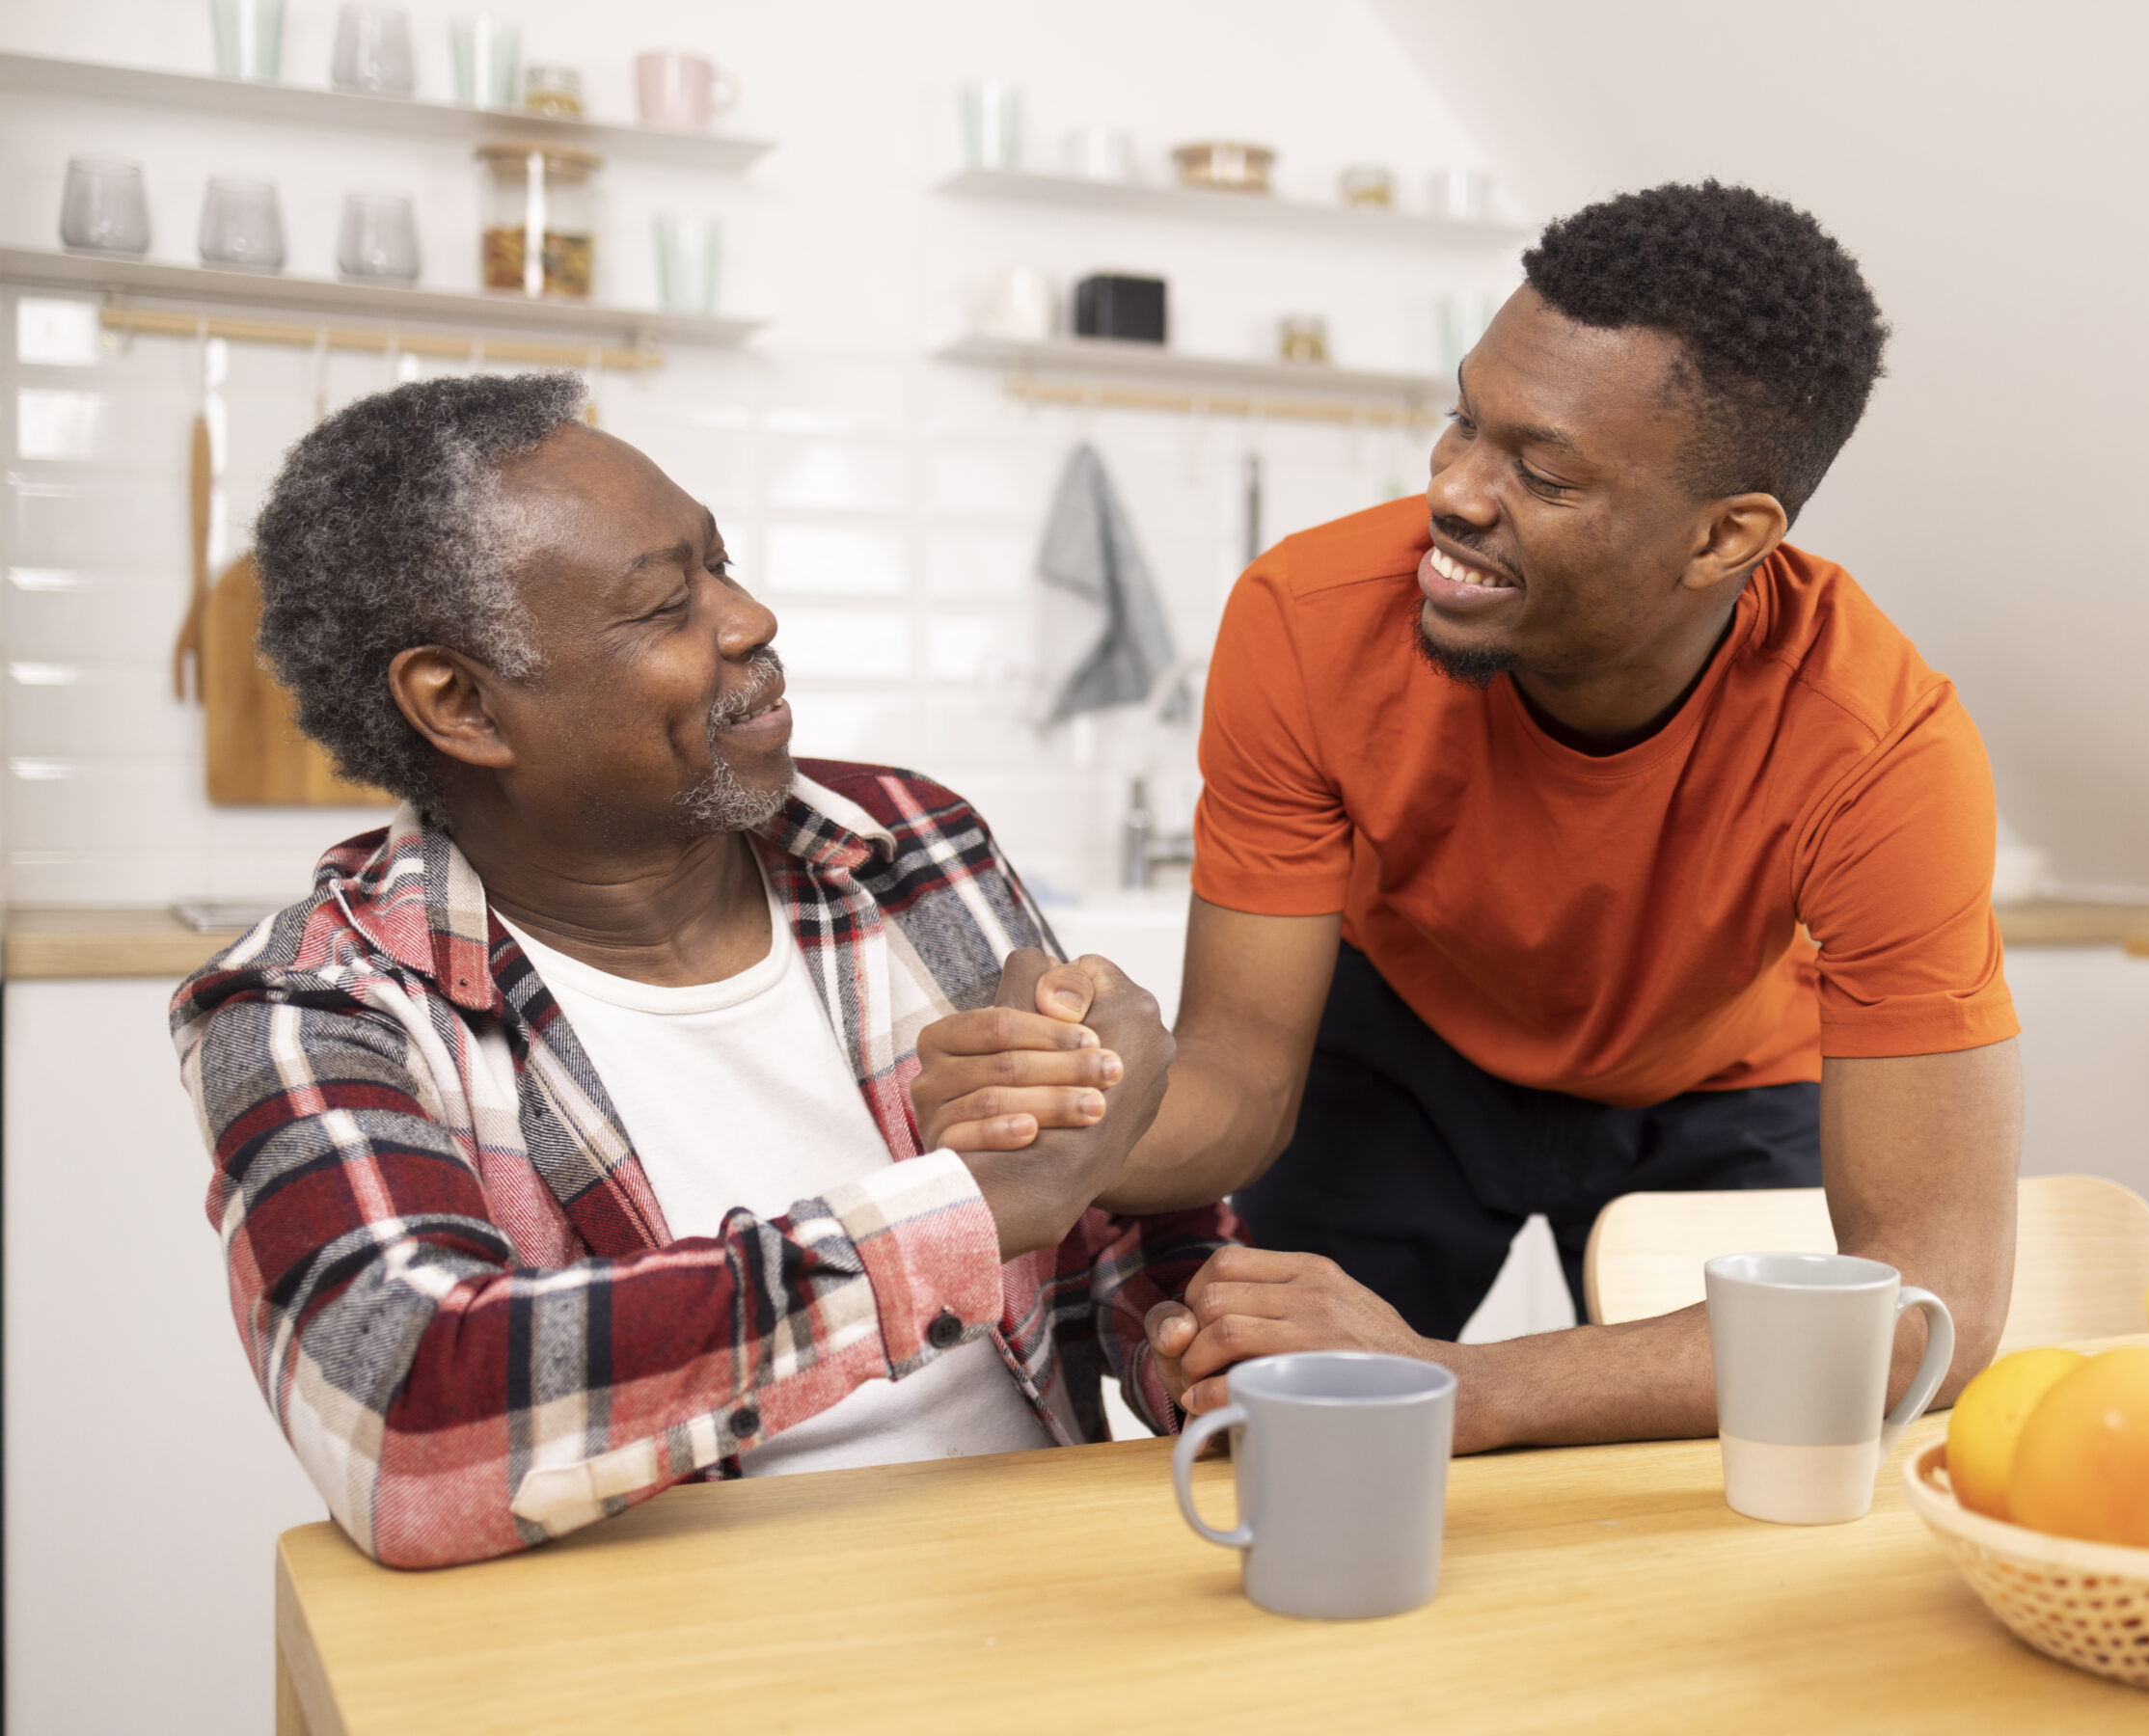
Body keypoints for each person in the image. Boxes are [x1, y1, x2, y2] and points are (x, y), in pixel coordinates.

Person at [916, 180, 2026, 1453]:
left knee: (1723, 1479)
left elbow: (1933, 1313)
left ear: (1727, 537)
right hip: (1399, 1053)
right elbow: (1238, 1083)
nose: (1453, 491)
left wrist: (1467, 1386)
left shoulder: (1880, 747)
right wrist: (1093, 1112)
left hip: (1719, 1078)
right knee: (1268, 1432)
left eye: (1540, 472)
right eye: (1462, 422)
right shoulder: (1307, 618)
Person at [173, 372, 1217, 1569]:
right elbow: (413, 1422)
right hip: (667, 1649)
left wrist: (1204, 1337)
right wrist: (963, 1215)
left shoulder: (910, 843)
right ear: (462, 706)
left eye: (721, 563)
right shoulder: (315, 1005)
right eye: (667, 606)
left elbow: (1115, 1222)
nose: (750, 619)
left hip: (1045, 1585)